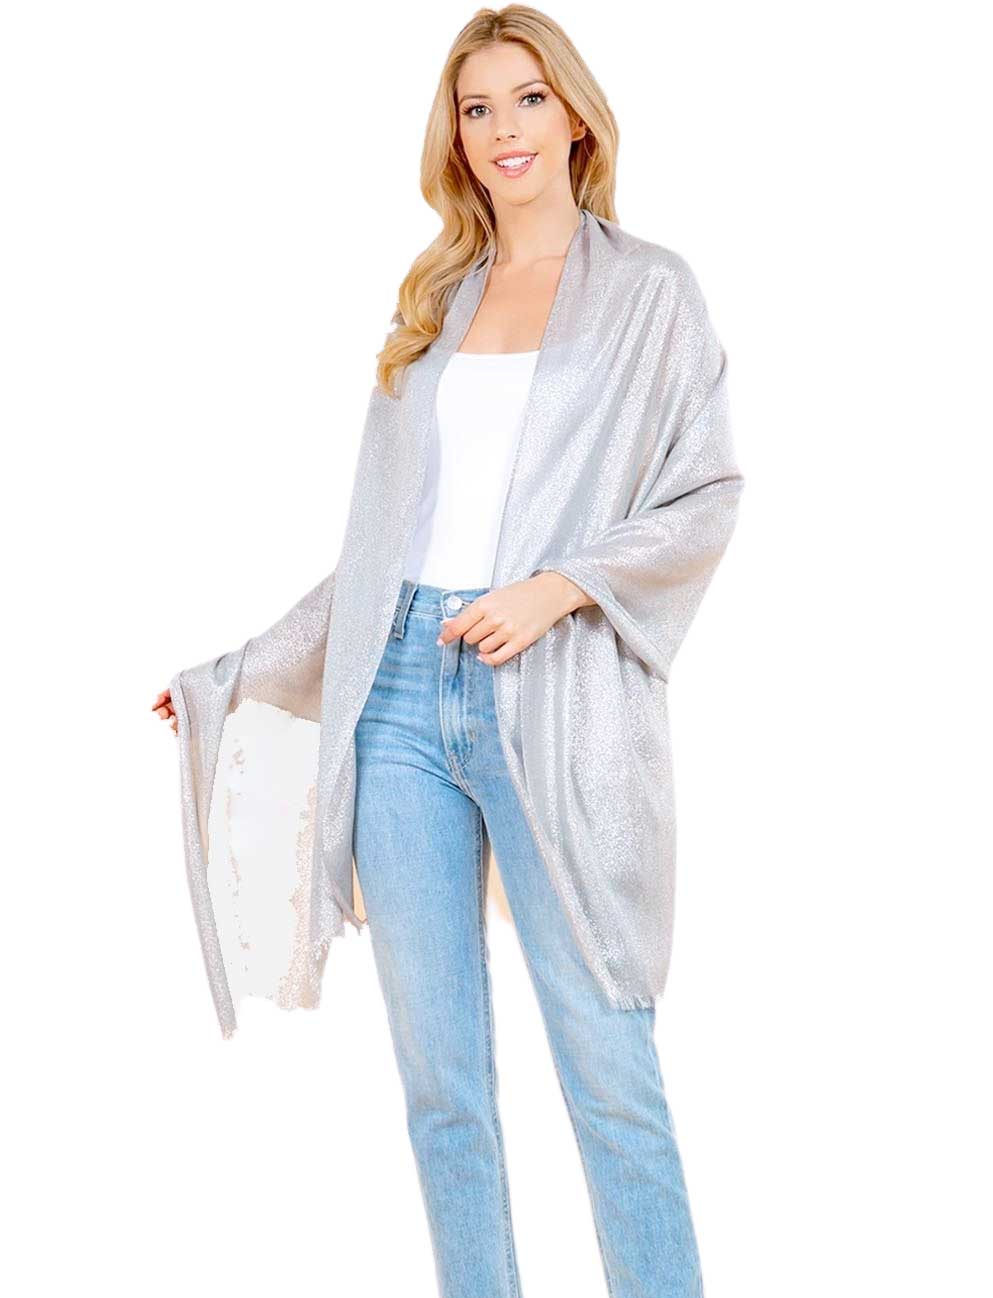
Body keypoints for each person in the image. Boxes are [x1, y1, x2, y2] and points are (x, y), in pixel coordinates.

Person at [154, 8, 744, 1296]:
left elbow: (704, 495)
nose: (503, 129)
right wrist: (241, 671)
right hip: (401, 699)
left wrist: (560, 589)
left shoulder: (649, 292)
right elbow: (381, 558)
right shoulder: (435, 303)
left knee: (609, 1070)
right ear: (456, 138)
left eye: (527, 99)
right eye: (477, 109)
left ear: (574, 116)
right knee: (442, 1091)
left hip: (554, 692)